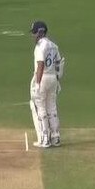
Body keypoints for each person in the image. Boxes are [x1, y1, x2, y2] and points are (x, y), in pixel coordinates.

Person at [29, 20, 65, 148]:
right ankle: (56, 137)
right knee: (52, 108)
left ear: (39, 33)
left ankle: (45, 140)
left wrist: (37, 84)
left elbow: (40, 65)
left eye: (34, 33)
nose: (33, 36)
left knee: (41, 108)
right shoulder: (54, 46)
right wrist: (57, 79)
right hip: (53, 79)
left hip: (43, 78)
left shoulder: (40, 47)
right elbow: (59, 63)